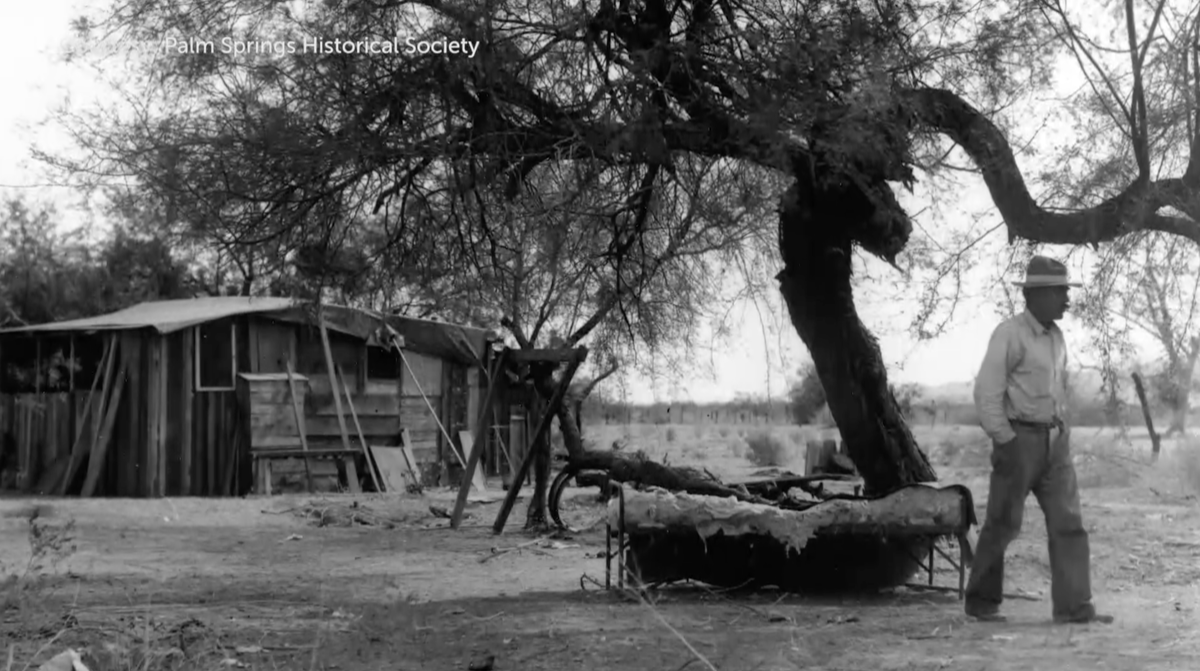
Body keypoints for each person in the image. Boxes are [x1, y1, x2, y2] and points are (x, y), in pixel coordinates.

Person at [966, 255, 1113, 624]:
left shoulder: (1057, 337)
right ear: (1037, 295)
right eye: (1061, 292)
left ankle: (1074, 607)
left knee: (1069, 522)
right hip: (1019, 439)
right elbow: (986, 393)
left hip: (1054, 442)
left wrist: (1062, 430)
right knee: (1002, 523)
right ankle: (982, 603)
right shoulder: (1009, 334)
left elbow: (1058, 390)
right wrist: (1006, 439)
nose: (1067, 300)